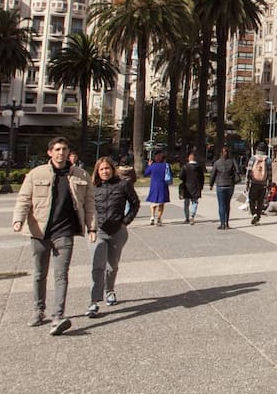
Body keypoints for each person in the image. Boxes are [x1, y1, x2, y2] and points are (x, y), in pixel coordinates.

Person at [12, 136, 97, 336]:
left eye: (64, 149)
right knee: (40, 273)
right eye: (57, 149)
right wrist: (18, 219)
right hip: (39, 232)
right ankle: (38, 310)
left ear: (69, 152)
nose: (61, 153)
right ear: (50, 152)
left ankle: (58, 316)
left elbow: (90, 204)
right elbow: (24, 198)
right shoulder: (36, 174)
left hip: (64, 232)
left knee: (61, 275)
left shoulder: (81, 175)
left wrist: (92, 227)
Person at [87, 156, 140, 316]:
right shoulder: (92, 187)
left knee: (112, 265)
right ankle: (94, 302)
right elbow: (84, 206)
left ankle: (109, 290)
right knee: (98, 266)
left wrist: (126, 221)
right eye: (102, 169)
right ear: (97, 171)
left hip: (118, 231)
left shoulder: (123, 185)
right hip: (98, 231)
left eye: (107, 168)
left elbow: (135, 203)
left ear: (113, 169)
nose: (105, 171)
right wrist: (89, 226)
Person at [210, 147, 239, 230]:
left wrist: (211, 184)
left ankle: (222, 224)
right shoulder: (232, 161)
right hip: (230, 185)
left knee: (221, 205)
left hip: (220, 185)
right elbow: (238, 171)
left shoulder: (217, 163)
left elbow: (213, 174)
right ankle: (226, 223)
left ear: (220, 153)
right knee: (227, 204)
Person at [143, 150, 172, 226]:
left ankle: (152, 216)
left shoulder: (153, 166)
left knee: (153, 202)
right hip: (163, 186)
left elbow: (145, 173)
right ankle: (159, 218)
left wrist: (149, 166)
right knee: (161, 203)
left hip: (154, 186)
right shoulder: (166, 165)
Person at [246, 148, 272, 226]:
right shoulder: (268, 159)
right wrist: (269, 184)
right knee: (260, 201)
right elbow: (270, 173)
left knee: (251, 199)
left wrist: (247, 182)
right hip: (263, 183)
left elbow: (249, 171)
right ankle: (258, 218)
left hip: (254, 183)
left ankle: (254, 214)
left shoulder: (253, 158)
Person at [179, 151, 205, 224]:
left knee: (186, 203)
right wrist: (201, 186)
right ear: (195, 158)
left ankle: (187, 217)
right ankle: (192, 215)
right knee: (195, 202)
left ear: (189, 158)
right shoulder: (199, 167)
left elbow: (181, 176)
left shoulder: (185, 167)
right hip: (196, 186)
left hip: (187, 187)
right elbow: (202, 178)